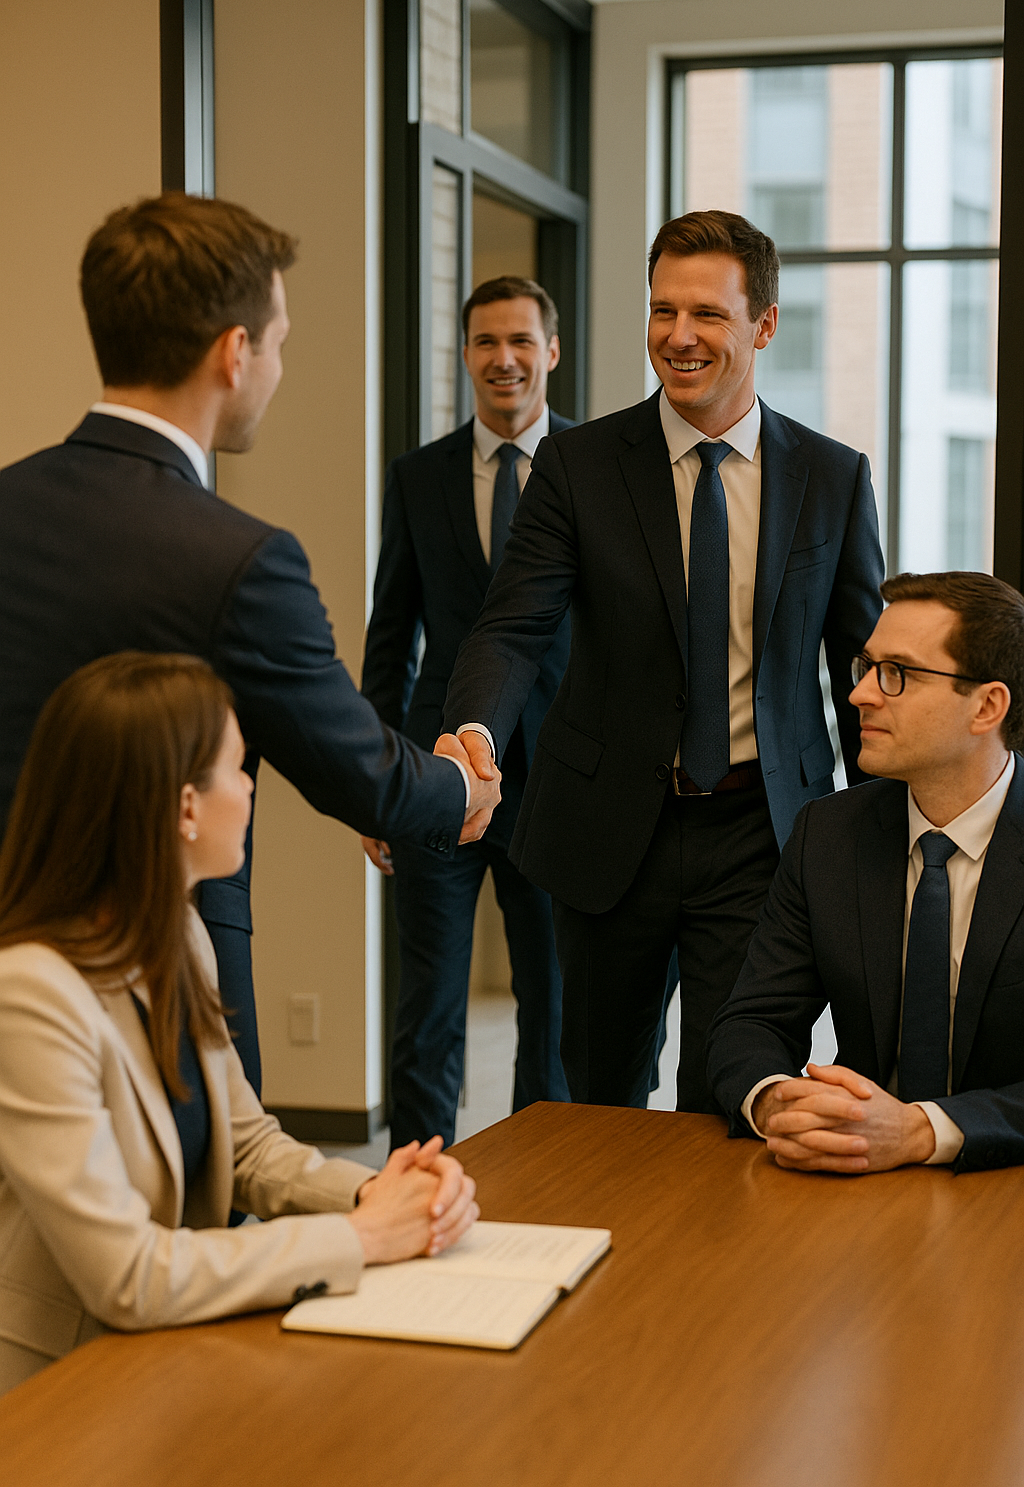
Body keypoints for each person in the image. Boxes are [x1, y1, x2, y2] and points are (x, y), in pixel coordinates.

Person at [0, 193, 499, 1094]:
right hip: (166, 975)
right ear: (236, 353)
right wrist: (462, 781)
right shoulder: (242, 561)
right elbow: (362, 774)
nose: (277, 366)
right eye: (278, 342)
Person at [442, 210, 884, 1113]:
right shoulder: (577, 466)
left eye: (708, 315)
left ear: (762, 325)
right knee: (599, 1095)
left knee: (734, 1094)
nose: (679, 337)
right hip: (609, 828)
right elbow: (513, 625)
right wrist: (474, 729)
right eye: (662, 311)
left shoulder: (832, 477)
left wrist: (884, 818)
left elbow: (859, 666)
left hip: (766, 833)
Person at [0, 652, 478, 1396]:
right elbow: (124, 1274)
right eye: (236, 766)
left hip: (165, 1352)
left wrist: (378, 1193)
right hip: (57, 1389)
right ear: (184, 807)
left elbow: (249, 1146)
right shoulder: (30, 993)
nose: (252, 785)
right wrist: (357, 1238)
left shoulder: (180, 937)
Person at [706, 572, 1024, 1174]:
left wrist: (921, 1132)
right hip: (856, 1181)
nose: (860, 695)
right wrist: (779, 1102)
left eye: (898, 674)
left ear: (987, 706)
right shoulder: (828, 834)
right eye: (866, 666)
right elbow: (750, 1023)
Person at [361, 278, 571, 1147]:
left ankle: (548, 1176)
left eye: (521, 340)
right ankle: (419, 1178)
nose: (504, 359)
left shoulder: (594, 470)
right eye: (486, 341)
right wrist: (373, 781)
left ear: (551, 351)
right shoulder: (418, 477)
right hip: (438, 777)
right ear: (465, 355)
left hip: (562, 779)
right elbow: (390, 636)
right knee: (431, 1006)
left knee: (554, 1006)